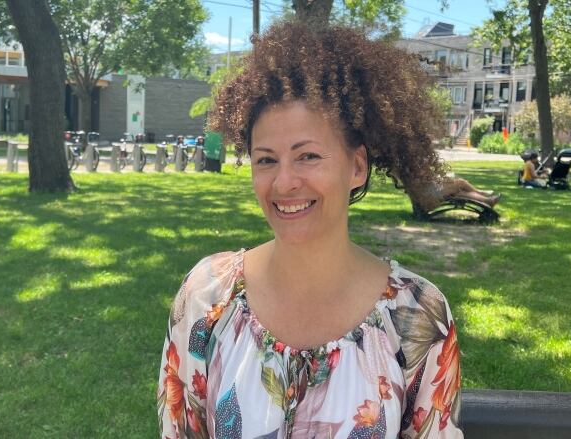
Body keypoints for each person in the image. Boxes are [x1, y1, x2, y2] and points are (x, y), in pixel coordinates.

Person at [158, 21, 462, 438]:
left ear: (357, 166)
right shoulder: (207, 296)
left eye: (308, 156)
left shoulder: (418, 315)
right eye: (266, 160)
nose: (283, 183)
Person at [431, 176, 501, 207]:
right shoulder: (421, 162)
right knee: (461, 182)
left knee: (459, 193)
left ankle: (488, 201)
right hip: (431, 192)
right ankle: (480, 193)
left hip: (433, 189)